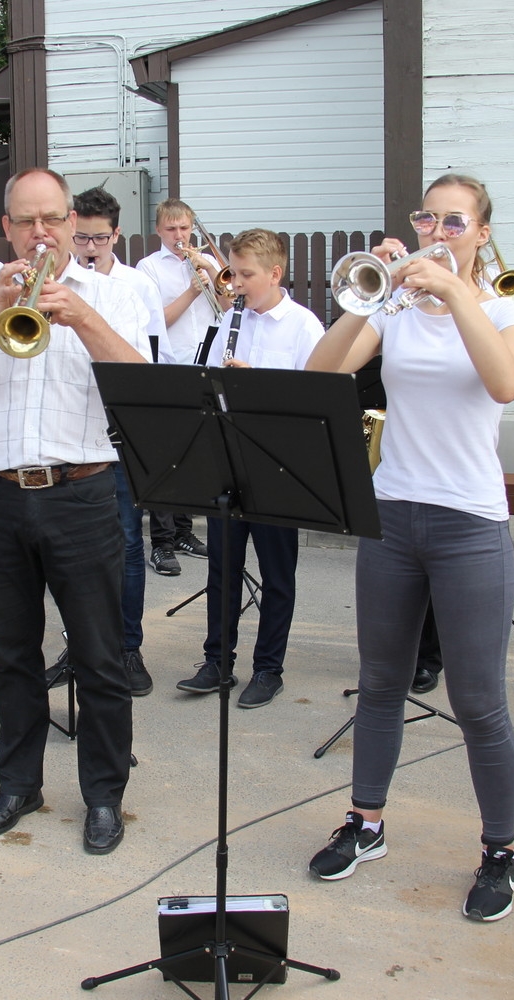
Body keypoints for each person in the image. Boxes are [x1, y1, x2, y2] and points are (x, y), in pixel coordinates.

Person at [303, 174, 514, 921]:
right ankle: (366, 822)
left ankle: (500, 848)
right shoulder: (393, 312)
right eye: (427, 216)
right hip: (395, 515)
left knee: (478, 700)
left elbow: (503, 384)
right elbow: (320, 374)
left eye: (455, 220)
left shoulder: (506, 311)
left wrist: (456, 290)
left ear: (483, 233)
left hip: (470, 524)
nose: (438, 230)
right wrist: (368, 298)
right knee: (379, 683)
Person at [0, 168, 149, 855]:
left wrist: (81, 317)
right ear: (4, 229)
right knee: (13, 653)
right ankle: (19, 782)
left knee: (98, 655)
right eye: (25, 222)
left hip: (81, 491)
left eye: (50, 219)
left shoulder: (113, 293)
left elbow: (143, 386)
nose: (39, 233)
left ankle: (105, 795)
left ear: (69, 219)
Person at [175, 229, 322, 709]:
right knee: (223, 568)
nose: (234, 284)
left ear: (275, 273)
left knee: (278, 574)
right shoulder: (227, 322)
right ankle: (217, 661)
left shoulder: (304, 327)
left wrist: (255, 385)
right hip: (228, 464)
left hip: (278, 468)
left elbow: (313, 404)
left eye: (245, 275)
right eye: (232, 273)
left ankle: (269, 668)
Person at [68, 185, 166, 697]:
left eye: (98, 238)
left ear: (116, 236)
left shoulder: (136, 286)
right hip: (71, 429)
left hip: (119, 430)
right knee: (70, 549)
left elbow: (155, 360)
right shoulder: (56, 281)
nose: (88, 247)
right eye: (80, 236)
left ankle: (128, 647)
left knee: (127, 543)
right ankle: (76, 646)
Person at [135, 198, 219, 576]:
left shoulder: (209, 263)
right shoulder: (147, 269)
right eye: (172, 229)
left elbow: (231, 306)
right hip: (171, 366)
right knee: (167, 459)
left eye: (185, 228)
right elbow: (157, 323)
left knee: (194, 457)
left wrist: (217, 284)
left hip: (207, 364)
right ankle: (162, 543)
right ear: (159, 231)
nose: (180, 236)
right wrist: (191, 290)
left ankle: (185, 532)